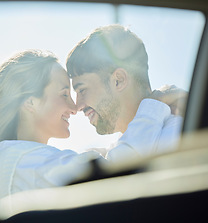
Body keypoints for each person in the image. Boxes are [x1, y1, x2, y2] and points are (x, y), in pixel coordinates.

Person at [0, 49, 180, 215]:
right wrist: (154, 104)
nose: (75, 107)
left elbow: (105, 160)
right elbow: (114, 172)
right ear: (30, 101)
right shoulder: (24, 162)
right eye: (64, 94)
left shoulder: (25, 160)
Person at [66, 24, 184, 160]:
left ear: (119, 80)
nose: (78, 106)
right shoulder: (118, 149)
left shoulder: (176, 136)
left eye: (82, 90)